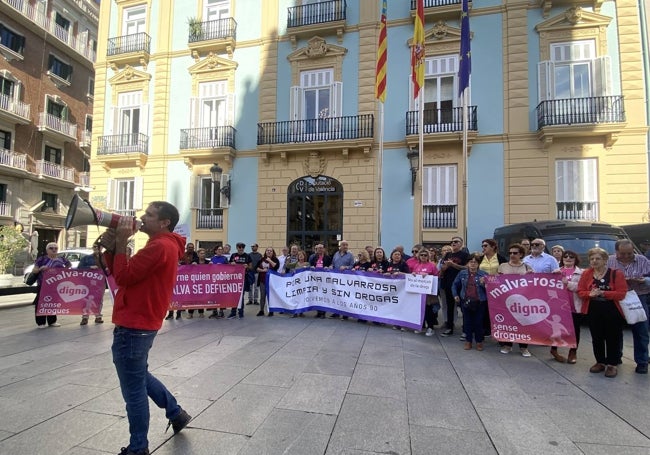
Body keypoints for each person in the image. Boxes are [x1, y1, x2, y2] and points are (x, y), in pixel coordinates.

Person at [101, 201, 191, 455]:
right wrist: (112, 249)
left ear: (164, 223)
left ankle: (138, 447)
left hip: (134, 323)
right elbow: (126, 272)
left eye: (149, 215)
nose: (143, 217)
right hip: (142, 322)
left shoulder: (158, 246)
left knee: (133, 391)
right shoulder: (165, 245)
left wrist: (120, 244)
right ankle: (176, 412)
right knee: (138, 375)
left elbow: (124, 277)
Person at [577, 247, 627, 378]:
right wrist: (590, 293)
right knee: (597, 337)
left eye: (598, 258)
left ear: (605, 260)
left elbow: (621, 294)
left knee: (613, 337)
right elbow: (581, 292)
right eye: (592, 259)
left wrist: (604, 293)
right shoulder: (586, 273)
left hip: (611, 309)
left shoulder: (616, 273)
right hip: (593, 308)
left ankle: (612, 364)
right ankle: (600, 361)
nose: (594, 261)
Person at [606, 239, 650, 374]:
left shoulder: (642, 260)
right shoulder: (609, 260)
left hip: (638, 296)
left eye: (629, 253)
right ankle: (615, 357)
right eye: (622, 254)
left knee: (641, 330)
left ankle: (642, 361)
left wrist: (645, 280)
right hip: (617, 296)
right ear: (616, 252)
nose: (626, 256)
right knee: (614, 329)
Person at [498, 243, 533, 357]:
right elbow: (497, 281)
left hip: (522, 300)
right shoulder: (503, 266)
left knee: (523, 323)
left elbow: (533, 283)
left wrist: (530, 276)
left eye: (515, 253)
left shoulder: (527, 267)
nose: (512, 255)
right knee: (508, 322)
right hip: (506, 299)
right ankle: (508, 345)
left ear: (521, 254)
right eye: (510, 253)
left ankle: (524, 347)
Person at [552, 250, 583, 364]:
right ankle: (554, 349)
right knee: (556, 330)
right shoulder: (556, 272)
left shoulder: (581, 273)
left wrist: (568, 284)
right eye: (566, 256)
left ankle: (573, 351)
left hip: (574, 306)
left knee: (575, 330)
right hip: (559, 307)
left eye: (571, 256)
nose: (568, 258)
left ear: (575, 259)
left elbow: (582, 288)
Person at [452, 253, 488, 350]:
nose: (472, 264)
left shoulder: (484, 274)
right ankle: (468, 341)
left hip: (480, 301)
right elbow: (454, 285)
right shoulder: (462, 273)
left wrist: (483, 284)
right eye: (470, 262)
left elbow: (489, 290)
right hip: (466, 300)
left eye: (475, 262)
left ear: (478, 264)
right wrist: (455, 295)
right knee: (467, 322)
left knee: (478, 322)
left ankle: (479, 341)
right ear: (467, 263)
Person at [32, 242, 71, 328]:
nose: (53, 250)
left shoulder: (62, 259)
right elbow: (34, 270)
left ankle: (52, 321)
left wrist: (64, 270)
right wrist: (41, 268)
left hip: (56, 285)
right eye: (51, 248)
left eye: (55, 248)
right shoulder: (42, 259)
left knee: (53, 303)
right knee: (41, 302)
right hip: (43, 284)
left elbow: (69, 266)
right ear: (47, 250)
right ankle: (41, 322)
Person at [440, 237, 469, 337]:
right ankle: (449, 327)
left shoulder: (465, 255)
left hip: (461, 284)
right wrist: (446, 266)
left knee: (463, 307)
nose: (453, 243)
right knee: (449, 306)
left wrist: (453, 264)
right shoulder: (448, 254)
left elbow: (466, 267)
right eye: (452, 242)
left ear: (461, 244)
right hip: (448, 283)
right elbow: (442, 268)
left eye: (456, 241)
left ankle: (466, 330)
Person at [479, 239, 507, 337]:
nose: (483, 248)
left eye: (485, 246)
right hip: (482, 287)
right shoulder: (480, 258)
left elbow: (505, 272)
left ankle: (497, 328)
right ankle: (485, 329)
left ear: (493, 247)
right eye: (482, 246)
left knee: (496, 308)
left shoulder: (501, 258)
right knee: (484, 307)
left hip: (497, 288)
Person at [409, 248, 439, 336]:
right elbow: (414, 274)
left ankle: (430, 327)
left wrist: (429, 275)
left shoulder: (432, 265)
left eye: (425, 255)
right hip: (419, 292)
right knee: (421, 309)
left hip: (428, 293)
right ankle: (421, 326)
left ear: (428, 256)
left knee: (429, 310)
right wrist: (413, 274)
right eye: (421, 255)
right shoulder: (417, 265)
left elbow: (437, 276)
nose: (423, 257)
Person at [77, 243, 105, 325]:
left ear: (101, 248)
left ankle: (98, 316)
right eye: (94, 246)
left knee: (99, 299)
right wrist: (90, 267)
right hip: (88, 281)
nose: (95, 248)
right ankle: (85, 317)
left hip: (101, 281)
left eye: (97, 247)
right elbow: (79, 268)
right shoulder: (87, 258)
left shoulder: (105, 258)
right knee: (86, 298)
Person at [228, 243, 252, 319]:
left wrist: (247, 266)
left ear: (244, 248)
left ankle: (241, 312)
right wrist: (231, 263)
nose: (241, 248)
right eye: (239, 247)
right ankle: (233, 312)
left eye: (242, 247)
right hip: (234, 279)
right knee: (233, 296)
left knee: (241, 296)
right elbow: (228, 266)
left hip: (243, 278)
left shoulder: (247, 256)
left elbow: (251, 267)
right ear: (237, 247)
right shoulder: (233, 255)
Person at [309, 243, 332, 318]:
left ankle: (323, 312)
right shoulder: (314, 257)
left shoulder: (327, 257)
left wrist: (328, 267)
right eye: (318, 248)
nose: (320, 249)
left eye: (321, 248)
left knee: (324, 295)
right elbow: (310, 265)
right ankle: (318, 312)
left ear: (324, 249)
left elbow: (331, 265)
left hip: (324, 279)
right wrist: (311, 266)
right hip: (316, 279)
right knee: (317, 295)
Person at [256, 247, 279, 317]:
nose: (269, 252)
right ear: (265, 252)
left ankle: (271, 311)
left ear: (273, 252)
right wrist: (262, 270)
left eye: (270, 251)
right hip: (262, 281)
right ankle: (261, 310)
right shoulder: (261, 259)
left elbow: (276, 267)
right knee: (262, 296)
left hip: (271, 282)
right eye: (267, 251)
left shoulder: (275, 259)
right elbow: (256, 268)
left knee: (271, 297)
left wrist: (270, 260)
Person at [187, 248, 209, 319]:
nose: (203, 255)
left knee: (201, 298)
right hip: (194, 283)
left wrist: (212, 265)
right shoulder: (194, 261)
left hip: (203, 283)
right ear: (198, 254)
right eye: (201, 253)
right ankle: (190, 313)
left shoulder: (207, 262)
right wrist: (191, 265)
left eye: (204, 253)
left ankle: (201, 312)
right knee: (192, 298)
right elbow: (187, 270)